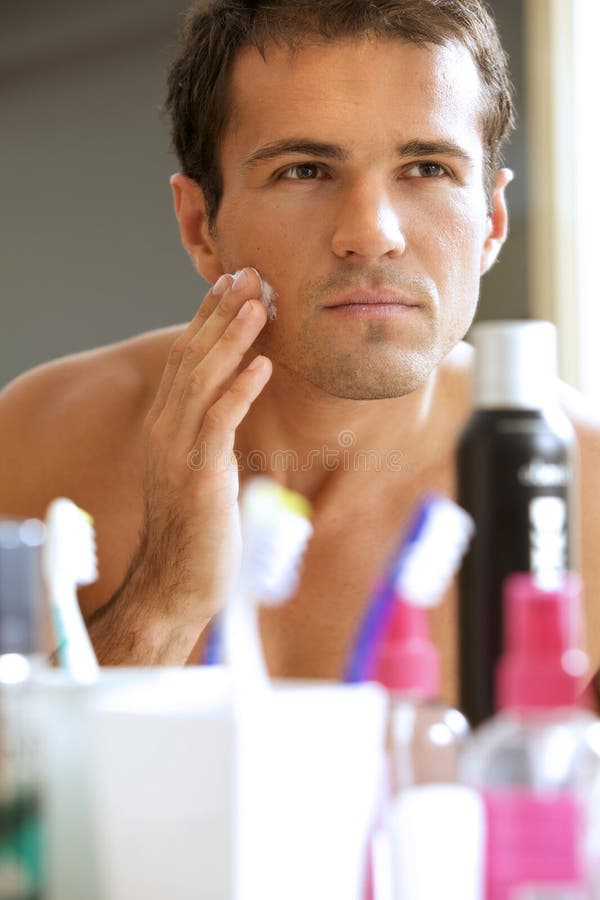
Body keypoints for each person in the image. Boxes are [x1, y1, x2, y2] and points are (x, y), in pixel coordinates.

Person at [1, 0, 598, 703]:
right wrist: (164, 596)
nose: (371, 233)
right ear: (200, 225)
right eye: (305, 170)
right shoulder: (37, 442)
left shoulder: (579, 490)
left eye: (428, 168)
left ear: (491, 222)